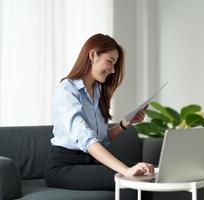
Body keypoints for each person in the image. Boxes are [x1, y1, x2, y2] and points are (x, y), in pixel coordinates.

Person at [44, 33, 154, 191]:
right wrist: (125, 170)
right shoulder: (66, 91)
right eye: (110, 61)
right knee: (131, 179)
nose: (113, 70)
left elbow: (101, 137)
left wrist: (124, 123)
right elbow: (87, 140)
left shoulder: (98, 91)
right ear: (93, 55)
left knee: (145, 175)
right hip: (63, 167)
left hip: (90, 162)